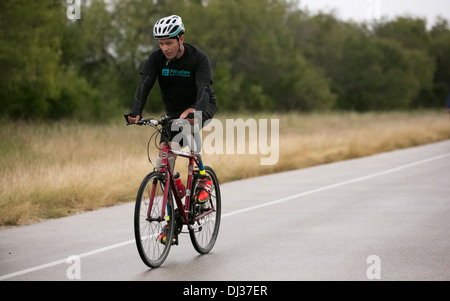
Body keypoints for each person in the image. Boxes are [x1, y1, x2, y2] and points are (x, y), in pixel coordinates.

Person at [127, 15, 216, 206]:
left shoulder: (198, 58)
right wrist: (136, 112)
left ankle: (203, 177)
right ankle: (172, 212)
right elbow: (144, 85)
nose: (165, 48)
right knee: (162, 161)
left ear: (180, 39)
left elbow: (203, 89)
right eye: (161, 44)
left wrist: (195, 112)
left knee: (180, 133)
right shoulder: (156, 58)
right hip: (174, 112)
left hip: (202, 104)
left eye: (169, 43)